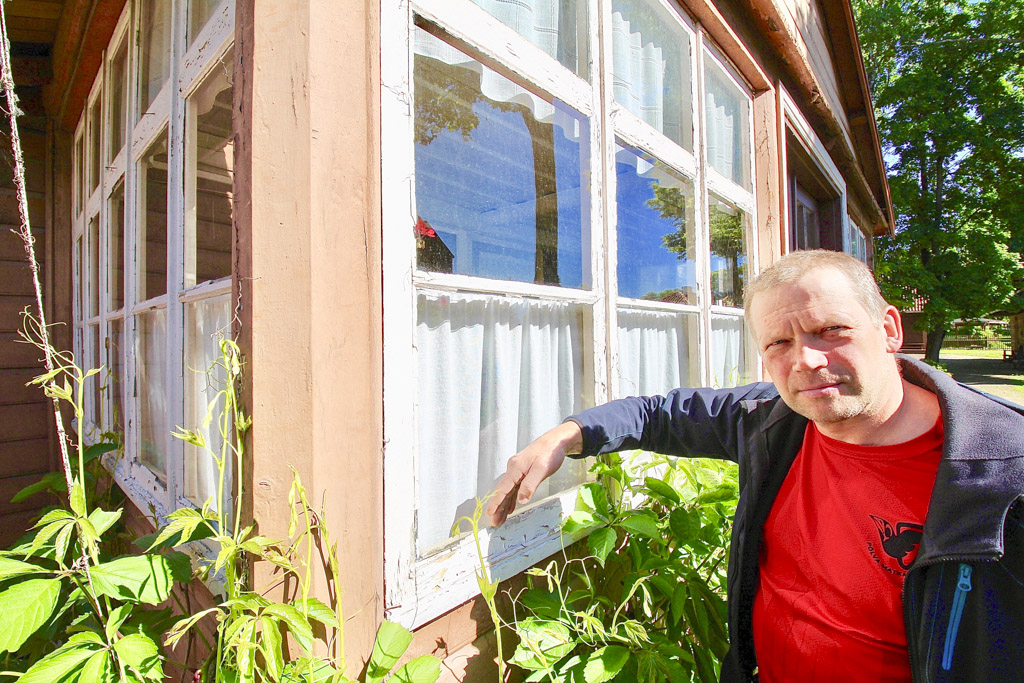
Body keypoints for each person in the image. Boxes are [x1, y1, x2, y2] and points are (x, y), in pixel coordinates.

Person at [485, 250, 1024, 682]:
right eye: (779, 342)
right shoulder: (772, 421)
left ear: (889, 329)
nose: (806, 361)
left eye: (831, 331)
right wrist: (566, 435)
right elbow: (659, 414)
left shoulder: (1002, 471)